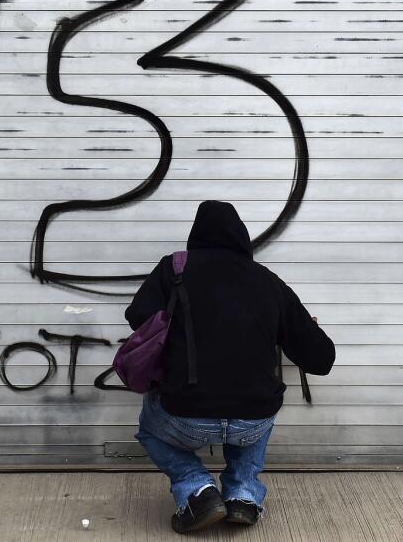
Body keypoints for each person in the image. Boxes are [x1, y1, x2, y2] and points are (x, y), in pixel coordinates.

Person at [125, 200, 336, 534]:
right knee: (262, 404)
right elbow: (321, 359)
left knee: (149, 429)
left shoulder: (174, 270)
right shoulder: (268, 282)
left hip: (184, 414)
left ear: (197, 234)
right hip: (250, 421)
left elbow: (137, 316)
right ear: (242, 237)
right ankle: (242, 495)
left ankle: (198, 489)